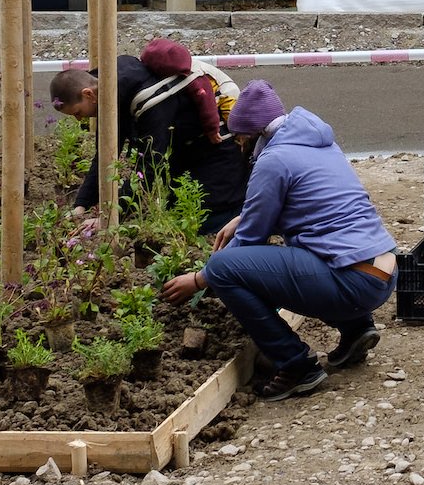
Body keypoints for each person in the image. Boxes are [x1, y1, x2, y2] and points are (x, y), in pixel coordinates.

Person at [162, 79, 397, 401]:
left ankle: (296, 364)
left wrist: (199, 279)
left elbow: (249, 242)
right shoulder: (318, 143)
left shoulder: (273, 160)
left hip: (350, 281)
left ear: (253, 134)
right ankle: (356, 328)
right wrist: (244, 215)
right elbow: (311, 199)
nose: (240, 144)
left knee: (223, 267)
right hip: (381, 269)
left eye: (241, 137)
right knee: (294, 259)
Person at [50, 55, 249, 234]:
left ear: (88, 94)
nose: (79, 119)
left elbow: (150, 169)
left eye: (77, 112)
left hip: (217, 146)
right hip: (185, 146)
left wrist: (111, 215)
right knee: (178, 210)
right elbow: (104, 154)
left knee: (205, 219)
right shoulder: (108, 89)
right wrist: (81, 205)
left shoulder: (149, 101)